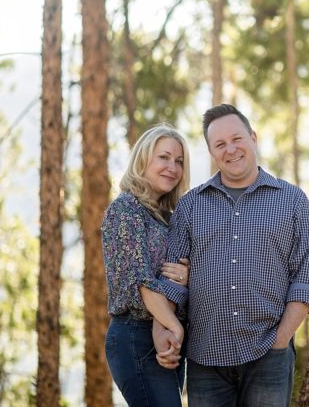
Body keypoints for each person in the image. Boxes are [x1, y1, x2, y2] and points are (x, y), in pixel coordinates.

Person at [155, 104, 309, 406]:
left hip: (268, 355)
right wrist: (162, 328)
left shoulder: (292, 201)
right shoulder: (190, 205)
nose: (230, 149)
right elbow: (173, 278)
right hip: (205, 357)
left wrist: (280, 340)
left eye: (237, 139)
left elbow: (307, 278)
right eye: (219, 144)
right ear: (211, 152)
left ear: (253, 138)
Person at [102, 124, 192, 407]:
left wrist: (188, 275)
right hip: (135, 336)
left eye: (179, 161)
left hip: (167, 336)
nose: (172, 168)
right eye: (163, 157)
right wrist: (174, 326)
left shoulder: (170, 218)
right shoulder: (126, 208)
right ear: (143, 159)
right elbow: (141, 281)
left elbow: (181, 273)